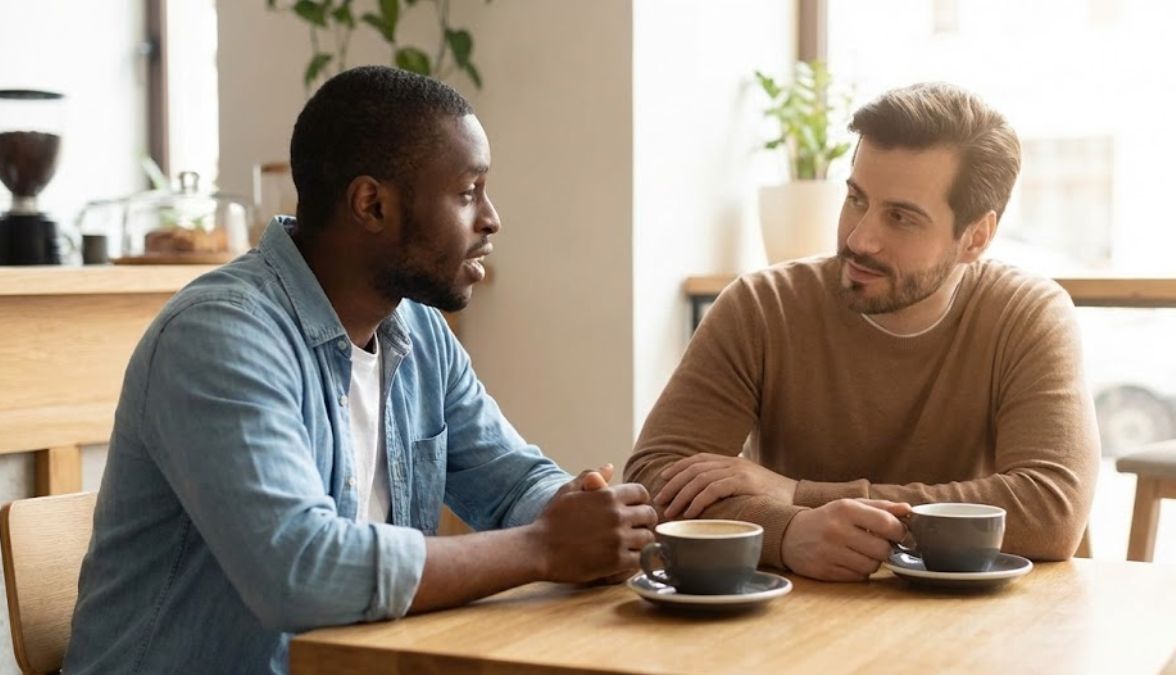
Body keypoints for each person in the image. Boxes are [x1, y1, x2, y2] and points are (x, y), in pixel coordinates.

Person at [65, 66, 656, 674]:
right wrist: (544, 546)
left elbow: (508, 482)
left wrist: (580, 513)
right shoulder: (219, 335)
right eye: (467, 192)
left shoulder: (419, 331)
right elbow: (300, 571)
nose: (491, 218)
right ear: (371, 204)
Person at [625, 82, 1099, 582]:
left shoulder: (1027, 315)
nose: (859, 237)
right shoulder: (762, 306)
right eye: (856, 198)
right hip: (795, 620)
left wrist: (800, 495)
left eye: (900, 217)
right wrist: (787, 534)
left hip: (973, 624)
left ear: (975, 237)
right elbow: (653, 480)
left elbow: (1050, 510)